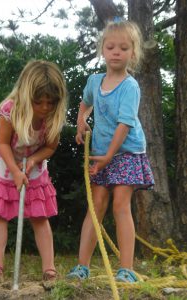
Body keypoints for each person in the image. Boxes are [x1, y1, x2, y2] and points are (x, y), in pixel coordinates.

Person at [67, 19, 154, 283]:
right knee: (96, 206)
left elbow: (124, 125)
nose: (116, 52)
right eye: (111, 46)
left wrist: (108, 157)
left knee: (120, 205)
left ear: (133, 53)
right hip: (101, 153)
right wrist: (81, 121)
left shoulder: (130, 86)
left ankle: (125, 268)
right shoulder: (95, 81)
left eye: (124, 48)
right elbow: (85, 104)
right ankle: (82, 266)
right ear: (102, 50)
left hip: (126, 151)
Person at [0, 59, 67, 282]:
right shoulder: (10, 110)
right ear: (25, 95)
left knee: (40, 215)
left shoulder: (52, 117)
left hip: (33, 163)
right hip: (6, 161)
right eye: (38, 102)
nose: (44, 107)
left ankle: (49, 268)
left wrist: (33, 159)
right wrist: (14, 170)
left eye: (50, 102)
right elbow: (3, 143)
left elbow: (50, 146)